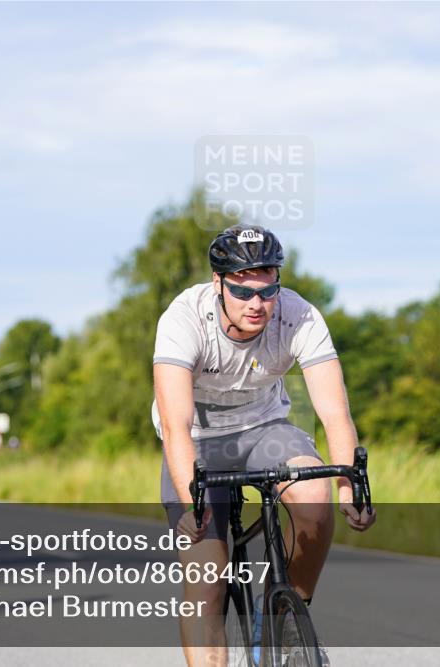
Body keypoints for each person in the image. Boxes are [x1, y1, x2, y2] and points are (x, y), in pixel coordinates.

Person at [153, 224, 377, 667]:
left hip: (265, 427)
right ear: (218, 283)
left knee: (315, 497)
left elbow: (335, 414)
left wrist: (350, 487)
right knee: (207, 579)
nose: (257, 304)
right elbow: (177, 427)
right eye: (242, 292)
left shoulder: (299, 315)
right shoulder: (182, 319)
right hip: (198, 439)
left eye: (267, 291)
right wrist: (191, 503)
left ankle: (287, 618)